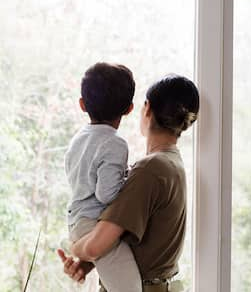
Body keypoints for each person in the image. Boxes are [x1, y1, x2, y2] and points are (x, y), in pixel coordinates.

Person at [58, 74, 200, 292]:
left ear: (147, 108)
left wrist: (76, 248)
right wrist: (87, 263)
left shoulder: (150, 169)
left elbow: (95, 246)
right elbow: (139, 239)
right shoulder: (171, 163)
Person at [63, 62, 142, 292]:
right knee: (131, 288)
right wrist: (129, 178)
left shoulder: (78, 139)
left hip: (78, 220)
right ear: (129, 108)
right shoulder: (115, 144)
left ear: (82, 105)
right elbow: (106, 195)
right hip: (94, 228)